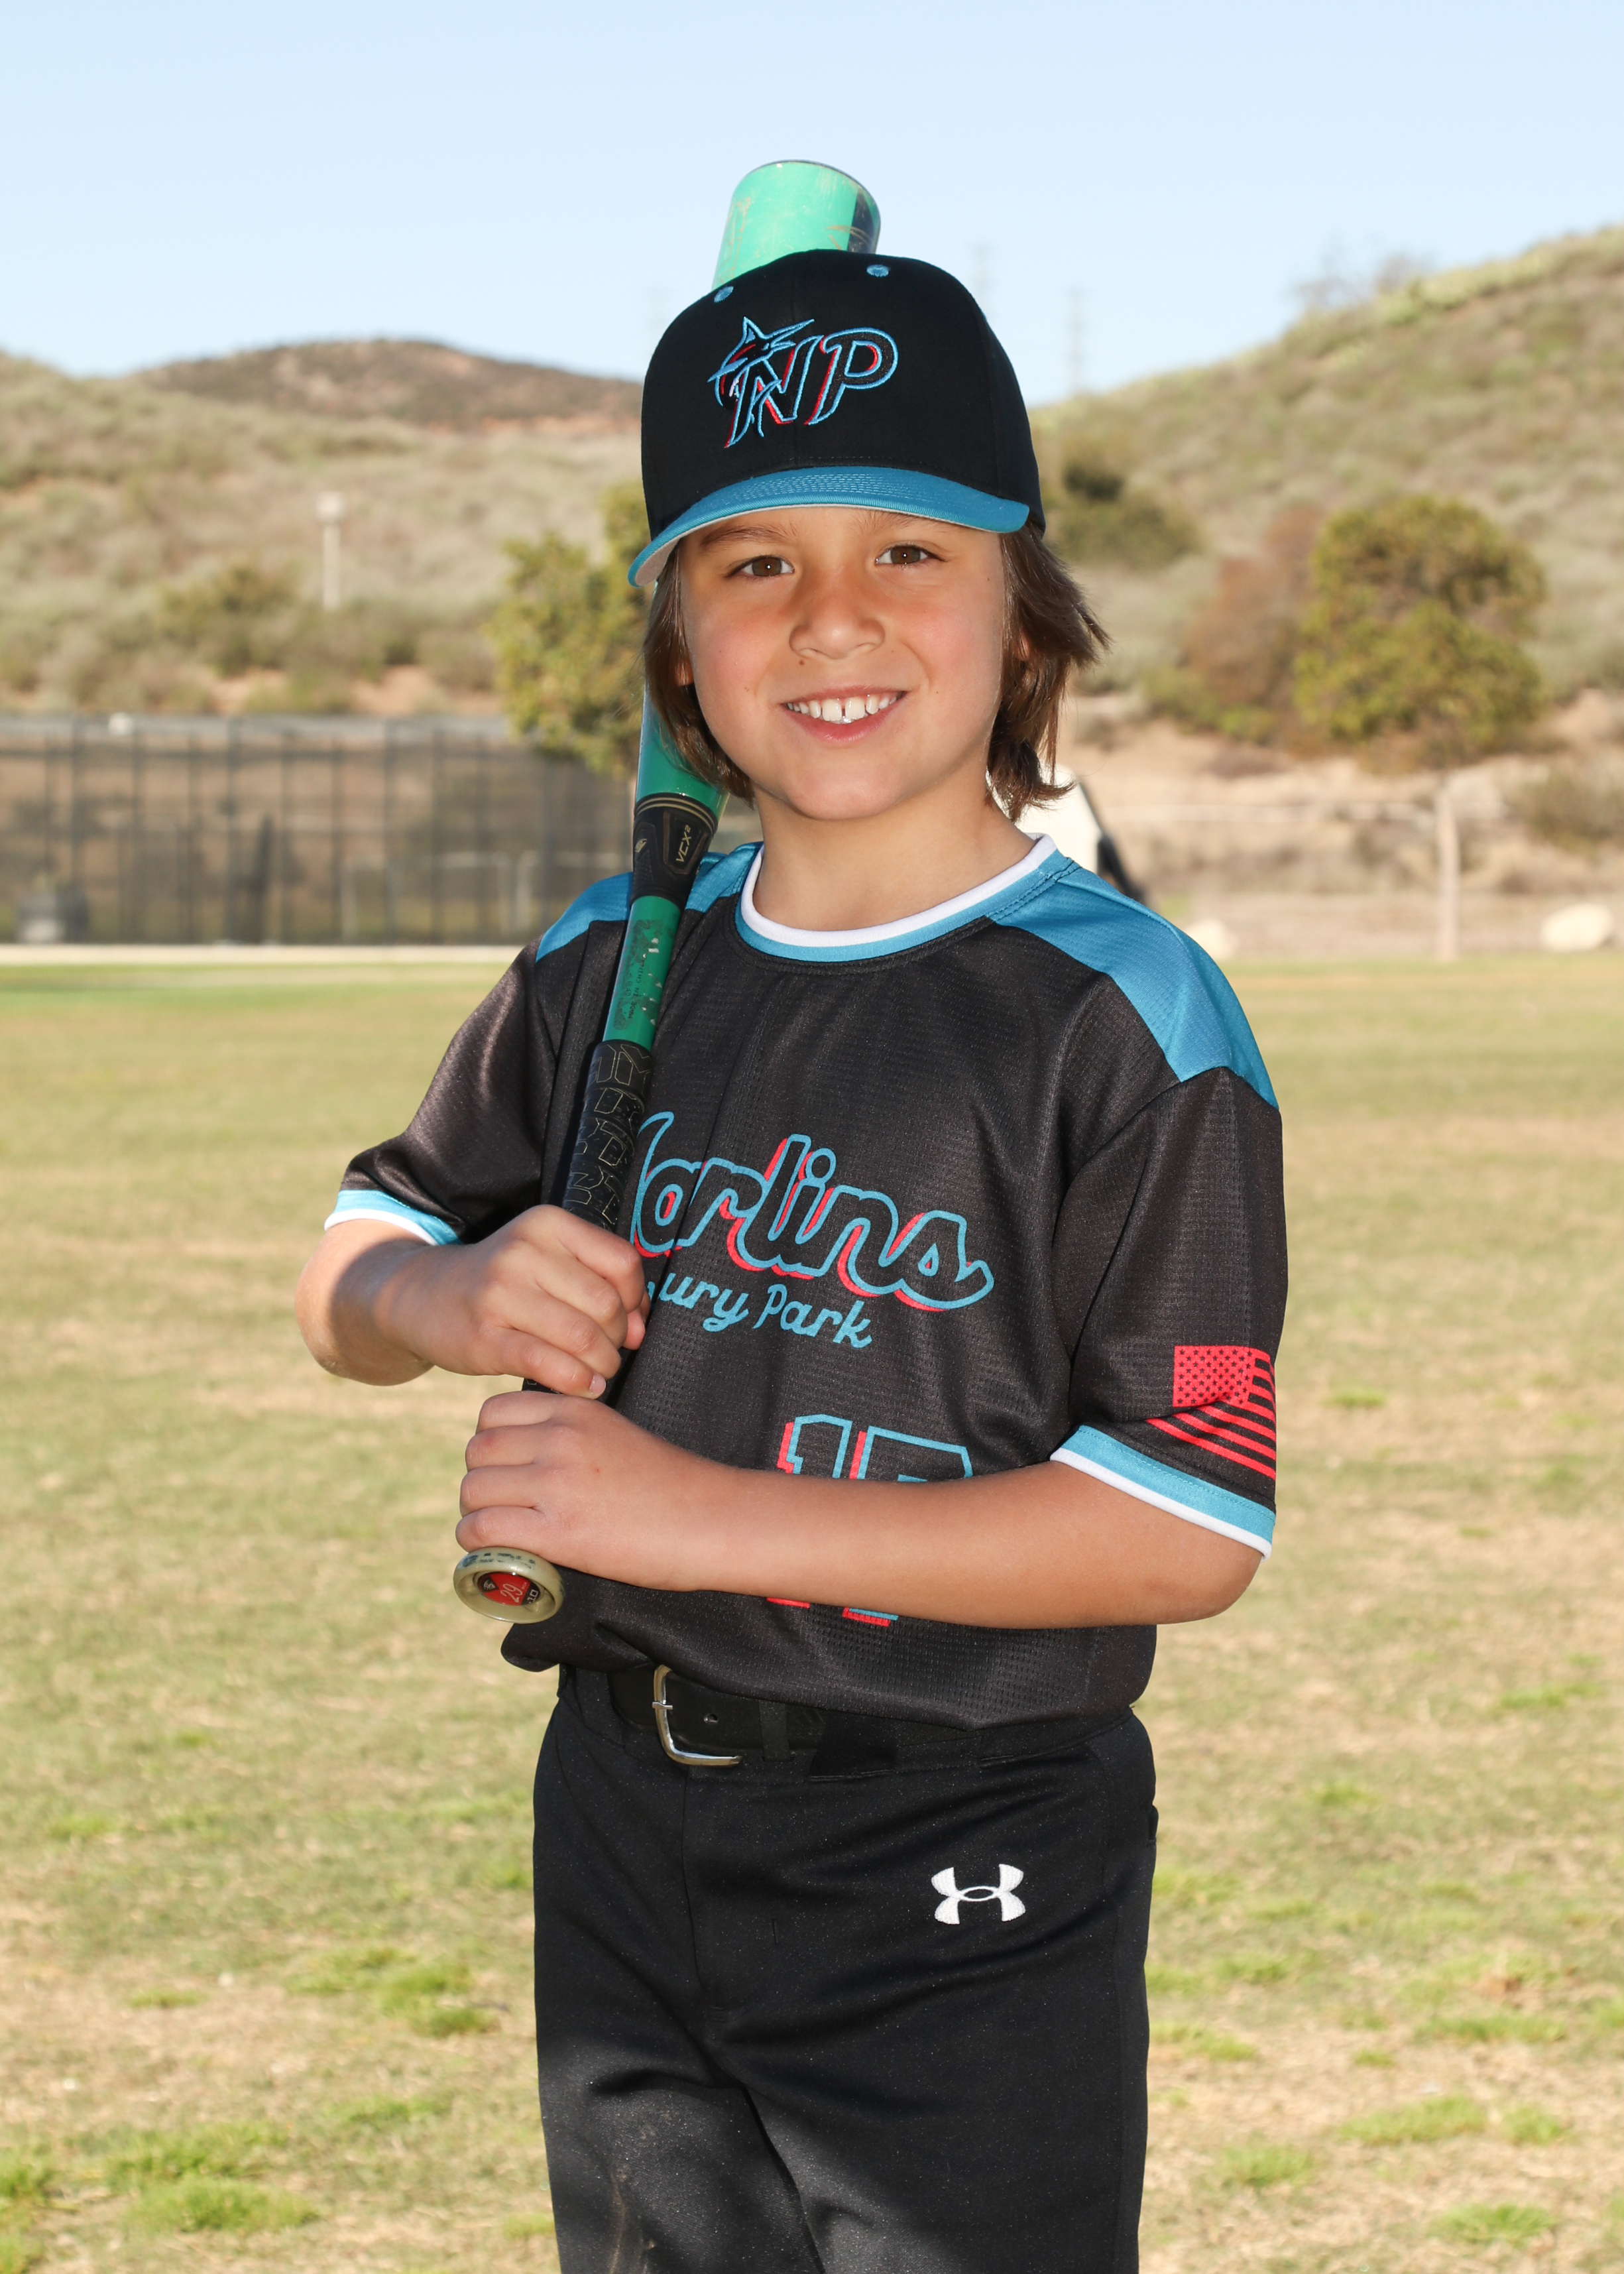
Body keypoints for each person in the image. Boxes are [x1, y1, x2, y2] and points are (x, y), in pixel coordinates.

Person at [296, 249, 1287, 2274]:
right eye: (752, 564)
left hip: (961, 1832)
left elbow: (1184, 1527)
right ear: (680, 649)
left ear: (1024, 616)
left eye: (909, 549)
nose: (833, 617)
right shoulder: (609, 958)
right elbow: (359, 1255)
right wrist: (440, 1298)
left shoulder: (1125, 1013)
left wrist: (687, 1516)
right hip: (622, 1815)